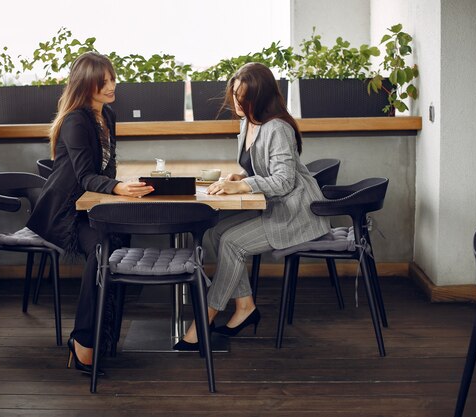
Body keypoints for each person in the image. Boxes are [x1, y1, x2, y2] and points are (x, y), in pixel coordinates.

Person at [174, 62, 330, 350]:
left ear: (261, 97)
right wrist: (243, 176)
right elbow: (264, 168)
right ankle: (245, 306)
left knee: (232, 243)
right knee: (217, 232)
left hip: (295, 213)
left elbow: (283, 181)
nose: (237, 102)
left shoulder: (277, 128)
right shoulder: (248, 122)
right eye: (234, 94)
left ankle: (205, 318)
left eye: (243, 97)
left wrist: (243, 185)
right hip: (276, 207)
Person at [27, 52, 154, 373]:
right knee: (103, 250)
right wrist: (116, 188)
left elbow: (106, 166)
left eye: (112, 79)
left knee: (118, 240)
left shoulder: (106, 115)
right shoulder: (76, 121)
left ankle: (105, 333)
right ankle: (83, 339)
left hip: (87, 207)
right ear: (86, 85)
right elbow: (84, 175)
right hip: (63, 213)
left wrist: (116, 185)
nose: (112, 86)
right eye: (104, 81)